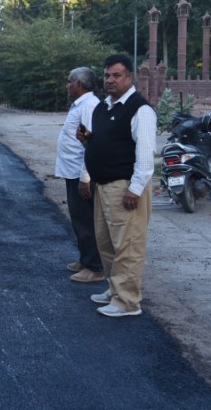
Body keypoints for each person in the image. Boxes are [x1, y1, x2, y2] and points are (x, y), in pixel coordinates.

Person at [81, 54, 157, 317]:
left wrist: (135, 189)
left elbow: (146, 155)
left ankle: (127, 302)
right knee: (107, 243)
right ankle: (115, 289)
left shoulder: (140, 109)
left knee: (128, 246)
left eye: (117, 75)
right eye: (107, 76)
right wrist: (87, 174)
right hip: (103, 186)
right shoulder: (104, 107)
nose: (110, 80)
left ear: (130, 78)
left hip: (124, 187)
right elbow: (97, 144)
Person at [55, 67, 104, 283]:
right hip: (73, 171)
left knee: (86, 220)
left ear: (79, 84)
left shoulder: (89, 106)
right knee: (78, 218)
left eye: (69, 82)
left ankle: (94, 267)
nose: (67, 86)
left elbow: (92, 144)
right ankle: (85, 260)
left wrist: (86, 177)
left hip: (81, 174)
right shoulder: (81, 105)